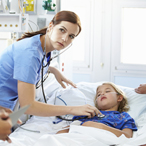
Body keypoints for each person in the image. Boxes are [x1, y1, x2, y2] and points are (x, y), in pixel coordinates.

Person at [0, 10, 99, 119]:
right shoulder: (30, 53)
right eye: (62, 30)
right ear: (51, 26)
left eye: (71, 36)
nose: (65, 39)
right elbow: (28, 106)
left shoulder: (41, 46)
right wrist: (73, 109)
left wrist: (53, 70)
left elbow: (30, 68)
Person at [57, 82, 137, 138]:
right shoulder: (89, 112)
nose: (102, 94)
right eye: (98, 94)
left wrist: (100, 127)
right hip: (77, 137)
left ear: (119, 97)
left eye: (107, 91)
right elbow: (69, 128)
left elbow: (127, 136)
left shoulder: (124, 117)